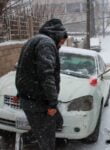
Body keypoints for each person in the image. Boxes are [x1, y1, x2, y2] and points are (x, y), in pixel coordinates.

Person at [15, 19, 68, 150]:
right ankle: (29, 141)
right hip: (39, 102)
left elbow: (25, 70)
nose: (62, 43)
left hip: (31, 99)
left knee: (56, 123)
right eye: (62, 39)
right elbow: (46, 74)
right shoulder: (46, 44)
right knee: (47, 140)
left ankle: (31, 138)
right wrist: (52, 103)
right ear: (56, 34)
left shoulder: (34, 40)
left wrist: (20, 92)